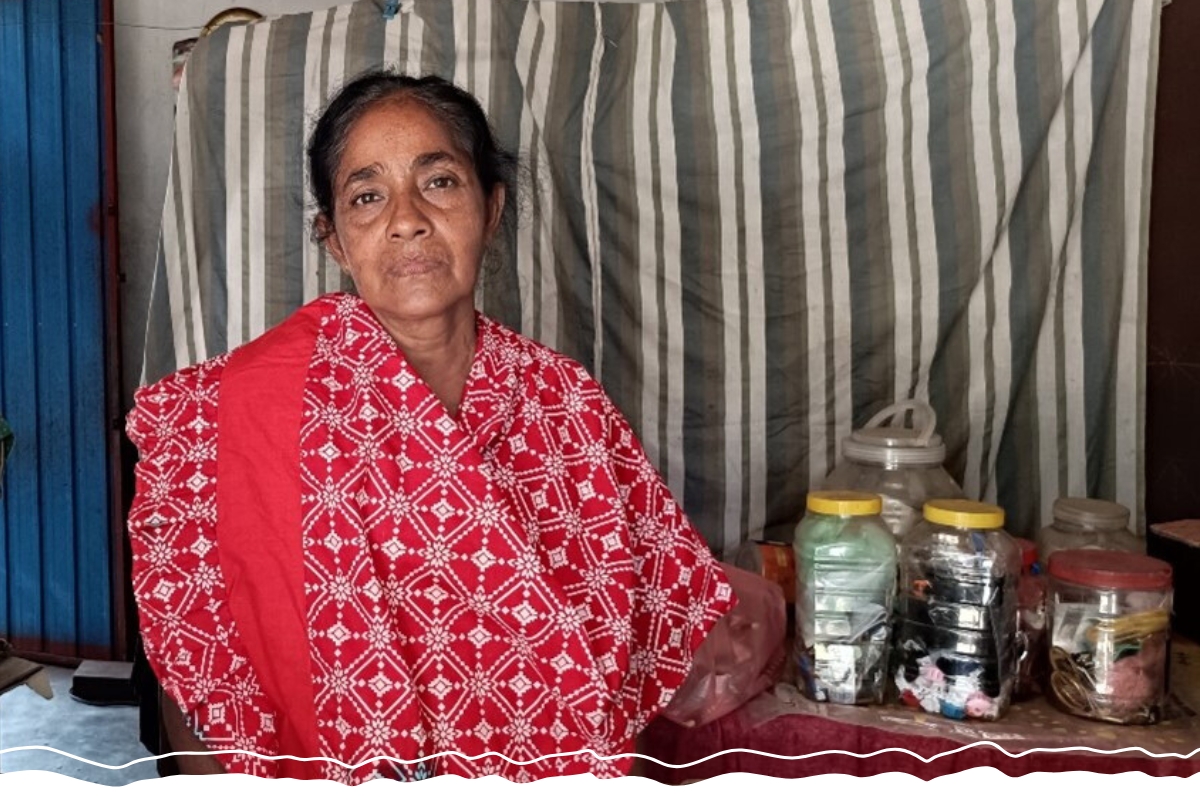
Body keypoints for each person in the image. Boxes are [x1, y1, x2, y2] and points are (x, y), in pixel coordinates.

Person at [125, 70, 735, 783]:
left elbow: (642, 625)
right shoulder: (232, 411)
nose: (406, 218)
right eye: (367, 195)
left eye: (439, 182)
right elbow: (194, 666)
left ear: (492, 207)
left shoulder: (568, 407)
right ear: (336, 241)